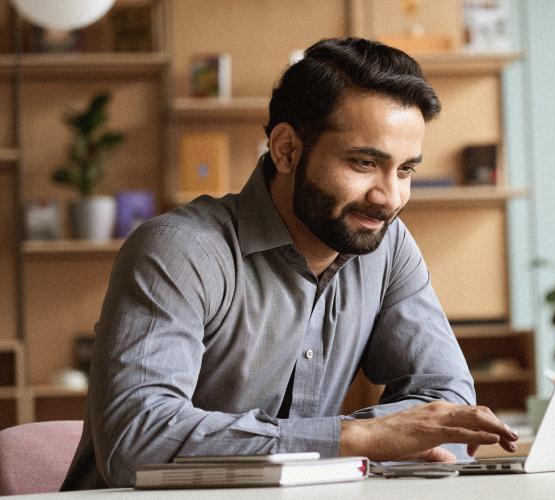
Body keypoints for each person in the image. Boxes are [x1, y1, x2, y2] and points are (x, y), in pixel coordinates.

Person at [61, 37, 518, 490]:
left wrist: (381, 440)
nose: (389, 198)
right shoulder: (179, 251)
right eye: (363, 163)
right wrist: (358, 438)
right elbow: (138, 441)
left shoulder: (387, 245)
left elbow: (448, 401)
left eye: (405, 171)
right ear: (286, 150)